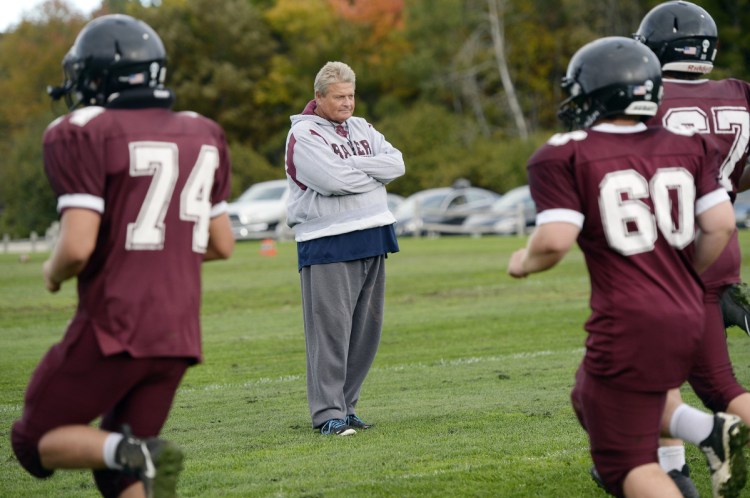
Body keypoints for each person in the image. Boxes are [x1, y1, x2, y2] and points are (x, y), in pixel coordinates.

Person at [507, 36, 744, 497]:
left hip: (630, 318)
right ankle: (708, 433)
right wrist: (684, 273)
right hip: (691, 310)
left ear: (594, 93)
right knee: (588, 396)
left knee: (626, 462)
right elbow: (719, 226)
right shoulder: (690, 144)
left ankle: (684, 463)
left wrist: (522, 261)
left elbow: (554, 241)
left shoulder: (564, 152)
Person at [10, 14, 235, 498]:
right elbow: (221, 243)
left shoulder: (83, 130)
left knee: (33, 440)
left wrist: (51, 274)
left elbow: (75, 247)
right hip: (178, 332)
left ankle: (142, 453)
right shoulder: (202, 132)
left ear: (96, 77)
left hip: (115, 326)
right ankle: (136, 455)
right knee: (118, 473)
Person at [633, 2, 750, 496]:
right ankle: (671, 467)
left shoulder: (645, 98)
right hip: (722, 238)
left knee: (688, 380)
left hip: (669, 251)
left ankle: (669, 469)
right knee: (679, 374)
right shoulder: (741, 94)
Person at [283, 61, 405, 436]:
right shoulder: (304, 135)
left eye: (351, 95)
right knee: (331, 334)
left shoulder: (362, 126)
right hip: (328, 241)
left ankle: (348, 406)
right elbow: (332, 180)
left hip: (374, 233)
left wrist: (355, 164)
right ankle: (327, 414)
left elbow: (396, 163)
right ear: (318, 97)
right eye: (339, 97)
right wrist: (371, 173)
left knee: (365, 334)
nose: (347, 103)